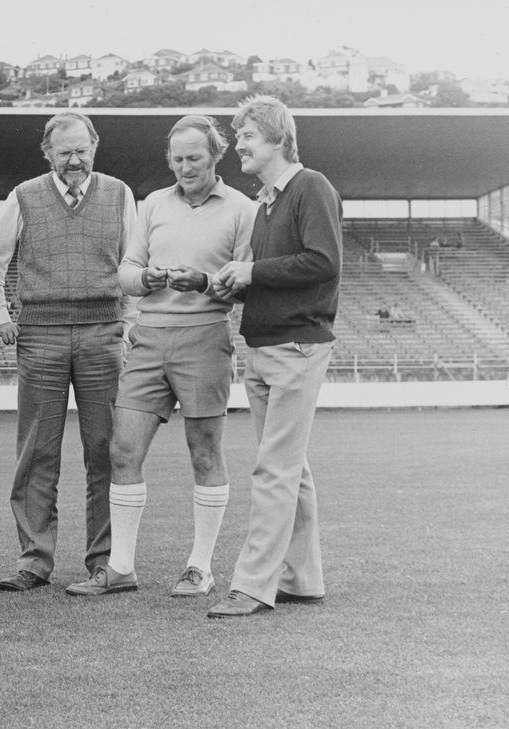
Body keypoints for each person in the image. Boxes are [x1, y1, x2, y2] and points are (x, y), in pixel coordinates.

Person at [66, 115, 256, 597]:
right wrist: (145, 279)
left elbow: (245, 284)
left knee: (205, 452)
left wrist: (207, 283)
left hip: (205, 337)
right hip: (149, 338)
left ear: (216, 155)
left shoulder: (241, 209)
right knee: (122, 449)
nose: (185, 167)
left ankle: (200, 567)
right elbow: (127, 270)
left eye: (195, 157)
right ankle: (122, 568)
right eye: (177, 158)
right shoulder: (152, 203)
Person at [0, 111, 136, 592]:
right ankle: (34, 560)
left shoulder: (120, 193)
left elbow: (134, 264)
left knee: (105, 452)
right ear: (47, 152)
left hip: (102, 335)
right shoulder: (23, 196)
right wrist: (0, 316)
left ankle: (105, 562)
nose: (75, 160)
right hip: (41, 336)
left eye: (82, 150)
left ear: (95, 148)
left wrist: (128, 325)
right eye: (64, 152)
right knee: (37, 453)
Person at [207, 95, 342, 618]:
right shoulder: (265, 201)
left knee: (274, 471)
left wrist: (252, 273)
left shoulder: (311, 187)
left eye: (247, 137)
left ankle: (253, 585)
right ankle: (302, 579)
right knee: (290, 468)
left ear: (278, 139)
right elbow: (271, 275)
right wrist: (232, 286)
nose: (237, 145)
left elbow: (322, 262)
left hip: (296, 345)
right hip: (263, 344)